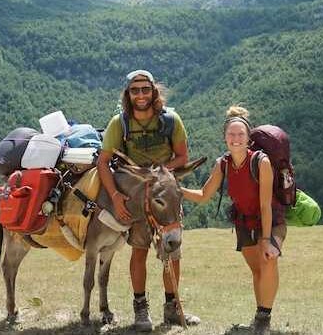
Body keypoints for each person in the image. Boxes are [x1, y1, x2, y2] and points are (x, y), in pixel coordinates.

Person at [97, 69, 200, 331]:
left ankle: (172, 309)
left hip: (164, 194)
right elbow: (103, 162)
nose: (140, 95)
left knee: (172, 252)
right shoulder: (119, 123)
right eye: (135, 90)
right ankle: (141, 310)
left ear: (153, 91)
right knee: (139, 250)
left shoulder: (171, 120)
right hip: (137, 198)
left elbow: (181, 157)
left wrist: (158, 172)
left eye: (145, 89)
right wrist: (116, 197)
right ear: (128, 94)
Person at [181, 106, 285, 335]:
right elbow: (203, 195)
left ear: (248, 138)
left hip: (270, 220)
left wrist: (266, 239)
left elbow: (265, 205)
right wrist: (176, 189)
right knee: (257, 271)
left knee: (268, 260)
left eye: (240, 135)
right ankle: (259, 319)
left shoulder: (261, 161)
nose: (235, 139)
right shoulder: (224, 164)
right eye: (231, 135)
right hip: (244, 222)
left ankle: (263, 322)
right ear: (225, 137)